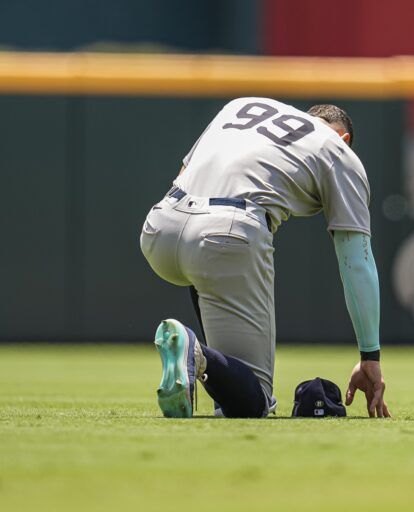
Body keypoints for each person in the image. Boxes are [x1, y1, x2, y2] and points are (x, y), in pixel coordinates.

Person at [139, 98, 390, 419]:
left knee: (231, 385)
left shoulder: (241, 106)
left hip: (159, 226)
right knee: (253, 403)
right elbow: (357, 262)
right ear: (344, 139)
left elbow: (186, 172)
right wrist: (370, 357)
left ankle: (208, 364)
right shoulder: (338, 150)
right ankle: (197, 353)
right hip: (223, 233)